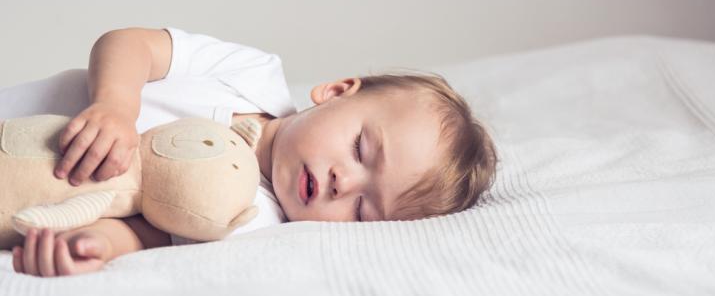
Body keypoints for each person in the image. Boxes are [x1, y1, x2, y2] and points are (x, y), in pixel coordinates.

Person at [6, 27, 497, 277]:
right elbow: (130, 43)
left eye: (363, 211)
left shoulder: (256, 221)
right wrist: (115, 103)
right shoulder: (250, 74)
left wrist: (93, 246)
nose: (342, 183)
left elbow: (150, 231)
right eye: (359, 148)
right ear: (337, 90)